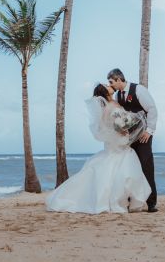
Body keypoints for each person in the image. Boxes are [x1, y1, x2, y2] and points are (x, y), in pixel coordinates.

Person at [45, 84, 152, 213]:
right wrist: (127, 125)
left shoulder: (108, 106)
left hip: (115, 144)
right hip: (119, 144)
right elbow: (118, 125)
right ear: (105, 92)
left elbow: (109, 126)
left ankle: (119, 200)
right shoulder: (112, 107)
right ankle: (114, 201)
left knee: (112, 170)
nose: (110, 85)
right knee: (121, 171)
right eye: (107, 85)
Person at [107, 68, 158, 212]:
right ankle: (131, 201)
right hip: (129, 138)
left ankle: (152, 203)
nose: (110, 85)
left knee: (146, 166)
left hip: (143, 136)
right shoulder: (118, 97)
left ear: (118, 79)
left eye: (111, 82)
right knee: (130, 169)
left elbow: (152, 109)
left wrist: (149, 131)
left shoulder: (138, 90)